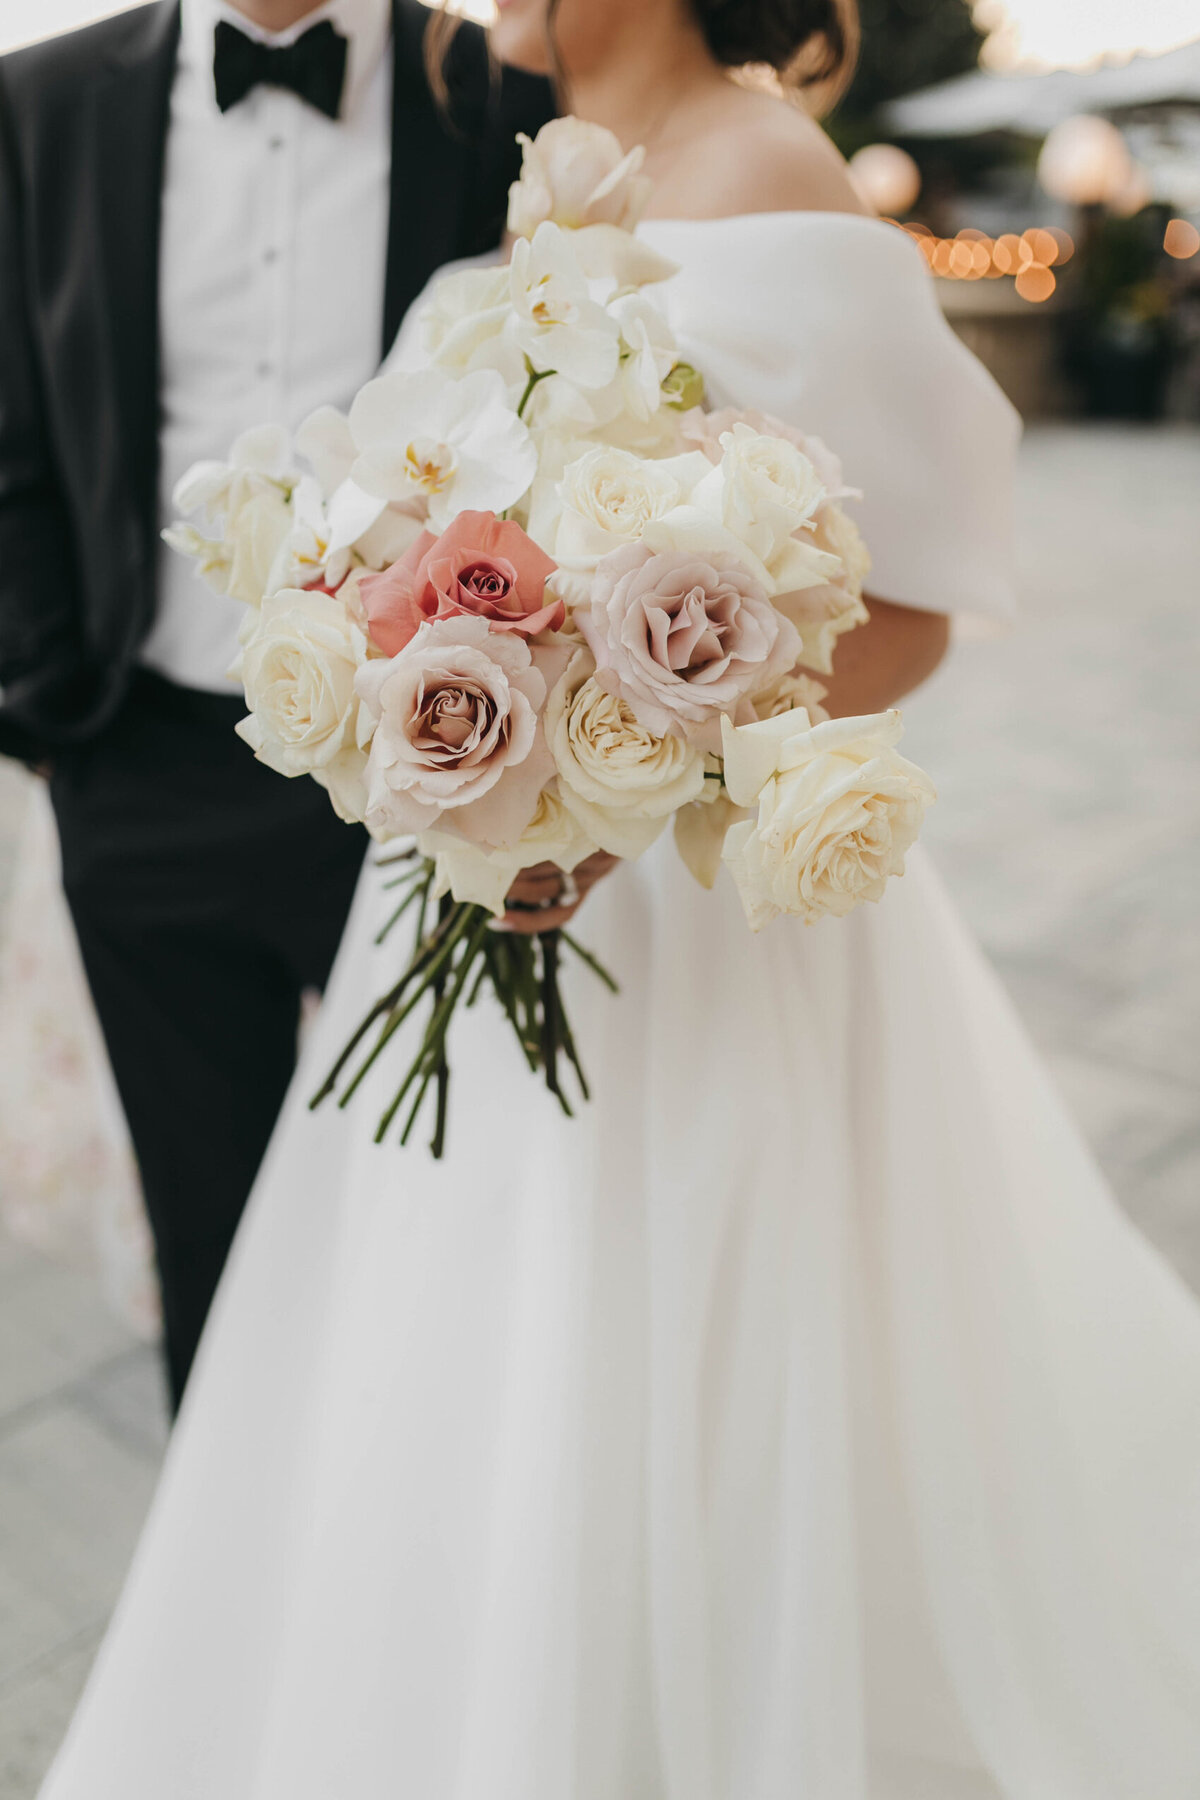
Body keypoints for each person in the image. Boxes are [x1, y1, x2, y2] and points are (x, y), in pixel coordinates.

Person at [38, 1, 1200, 1795]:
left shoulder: (769, 164)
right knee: (445, 1348)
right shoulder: (535, 173)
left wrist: (618, 764)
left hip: (682, 920)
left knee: (694, 1364)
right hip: (461, 882)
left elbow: (908, 603)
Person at [0, 0, 553, 1407]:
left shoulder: (502, 94)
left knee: (465, 1228)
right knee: (216, 1244)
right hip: (141, 765)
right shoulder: (41, 100)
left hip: (430, 790)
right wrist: (55, 719)